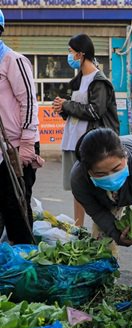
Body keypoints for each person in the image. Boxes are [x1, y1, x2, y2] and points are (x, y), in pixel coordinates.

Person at [53, 33, 119, 227]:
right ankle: (78, 227)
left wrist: (67, 105)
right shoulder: (80, 79)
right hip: (74, 140)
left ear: (80, 54)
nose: (68, 55)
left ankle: (104, 228)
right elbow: (77, 111)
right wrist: (62, 108)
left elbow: (94, 111)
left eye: (70, 51)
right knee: (78, 187)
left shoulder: (99, 81)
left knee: (97, 187)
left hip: (91, 143)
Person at [0, 10, 44, 244]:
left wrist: (27, 143)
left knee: (16, 204)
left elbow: (29, 101)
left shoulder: (13, 61)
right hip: (1, 146)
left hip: (18, 145)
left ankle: (25, 258)